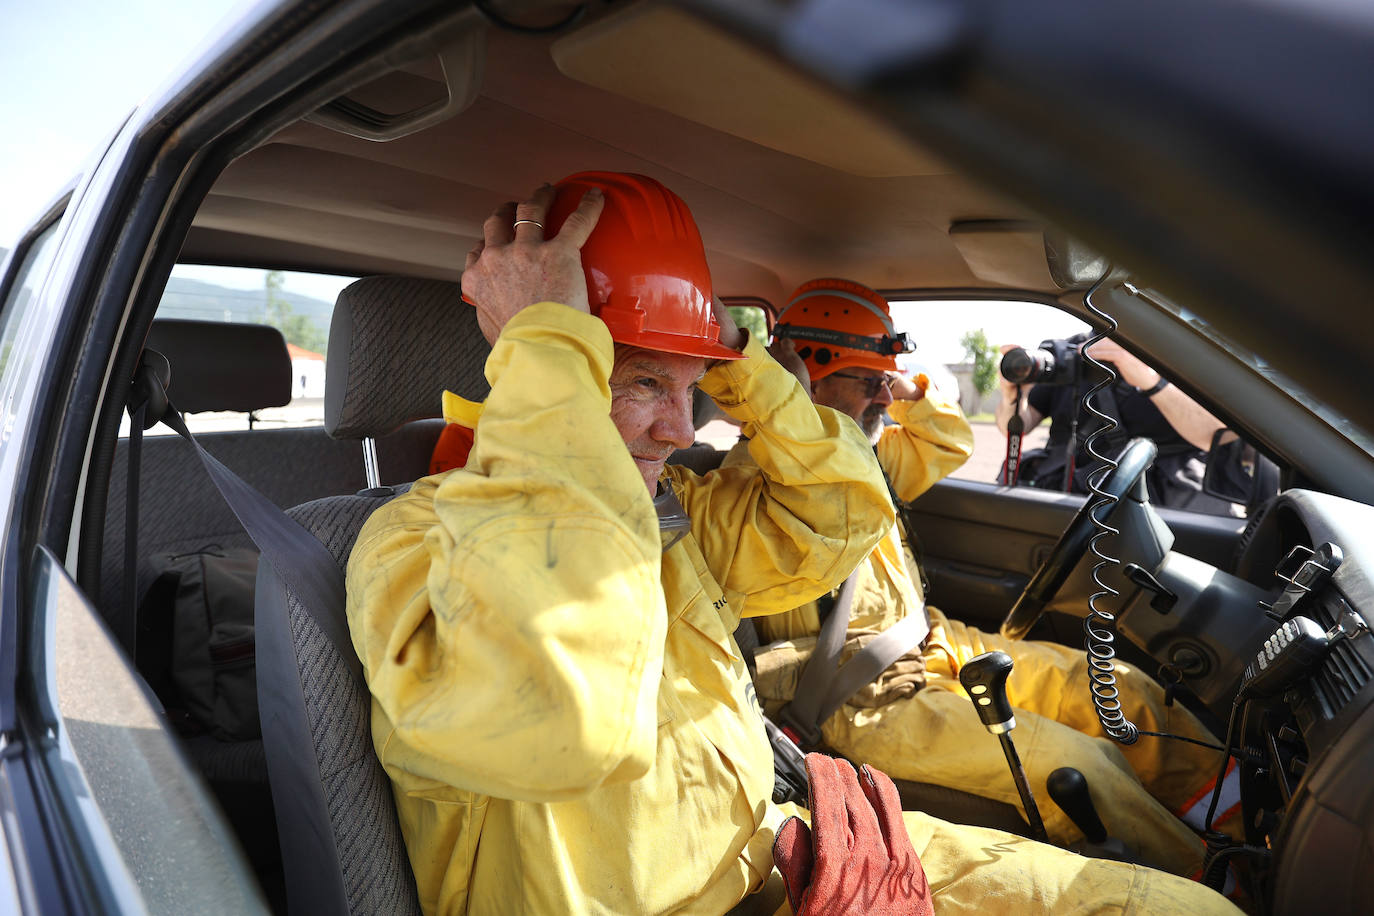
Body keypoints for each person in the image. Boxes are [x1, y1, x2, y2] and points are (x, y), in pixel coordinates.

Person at [348, 177, 1238, 915]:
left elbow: (845, 514)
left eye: (692, 388)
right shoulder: (411, 544)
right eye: (643, 382)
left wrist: (742, 362)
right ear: (540, 368)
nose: (678, 430)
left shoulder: (676, 514)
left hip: (786, 850)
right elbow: (566, 725)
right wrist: (547, 350)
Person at [737, 279, 1239, 880]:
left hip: (933, 643)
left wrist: (902, 385)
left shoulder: (871, 454)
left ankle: (1239, 826)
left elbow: (946, 437)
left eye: (887, 381)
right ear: (806, 381)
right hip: (858, 698)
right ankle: (1217, 883)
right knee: (1081, 765)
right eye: (868, 382)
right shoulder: (753, 485)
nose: (885, 397)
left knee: (1126, 692)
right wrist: (787, 405)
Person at [994, 333, 1231, 511]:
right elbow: (1014, 427)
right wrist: (1012, 398)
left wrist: (1151, 382)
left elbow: (1214, 435)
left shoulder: (1181, 354)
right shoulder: (1069, 353)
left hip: (1153, 508)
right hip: (1066, 499)